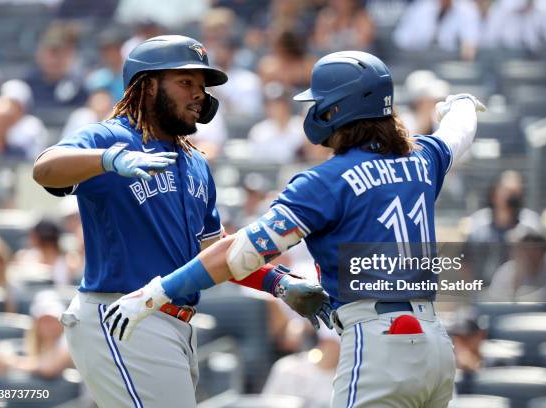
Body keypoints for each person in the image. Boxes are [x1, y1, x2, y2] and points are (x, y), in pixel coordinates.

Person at [105, 50, 487, 407]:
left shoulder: (326, 181)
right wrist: (462, 104)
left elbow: (239, 255)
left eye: (320, 102)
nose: (315, 109)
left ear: (338, 108)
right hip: (435, 344)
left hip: (380, 342)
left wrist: (157, 291)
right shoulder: (422, 158)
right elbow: (458, 132)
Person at [32, 35, 329, 407]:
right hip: (124, 314)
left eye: (201, 87)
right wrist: (108, 159)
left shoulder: (195, 163)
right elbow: (44, 168)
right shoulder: (113, 135)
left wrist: (278, 283)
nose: (198, 95)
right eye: (185, 82)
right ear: (148, 85)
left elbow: (214, 251)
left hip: (173, 324)